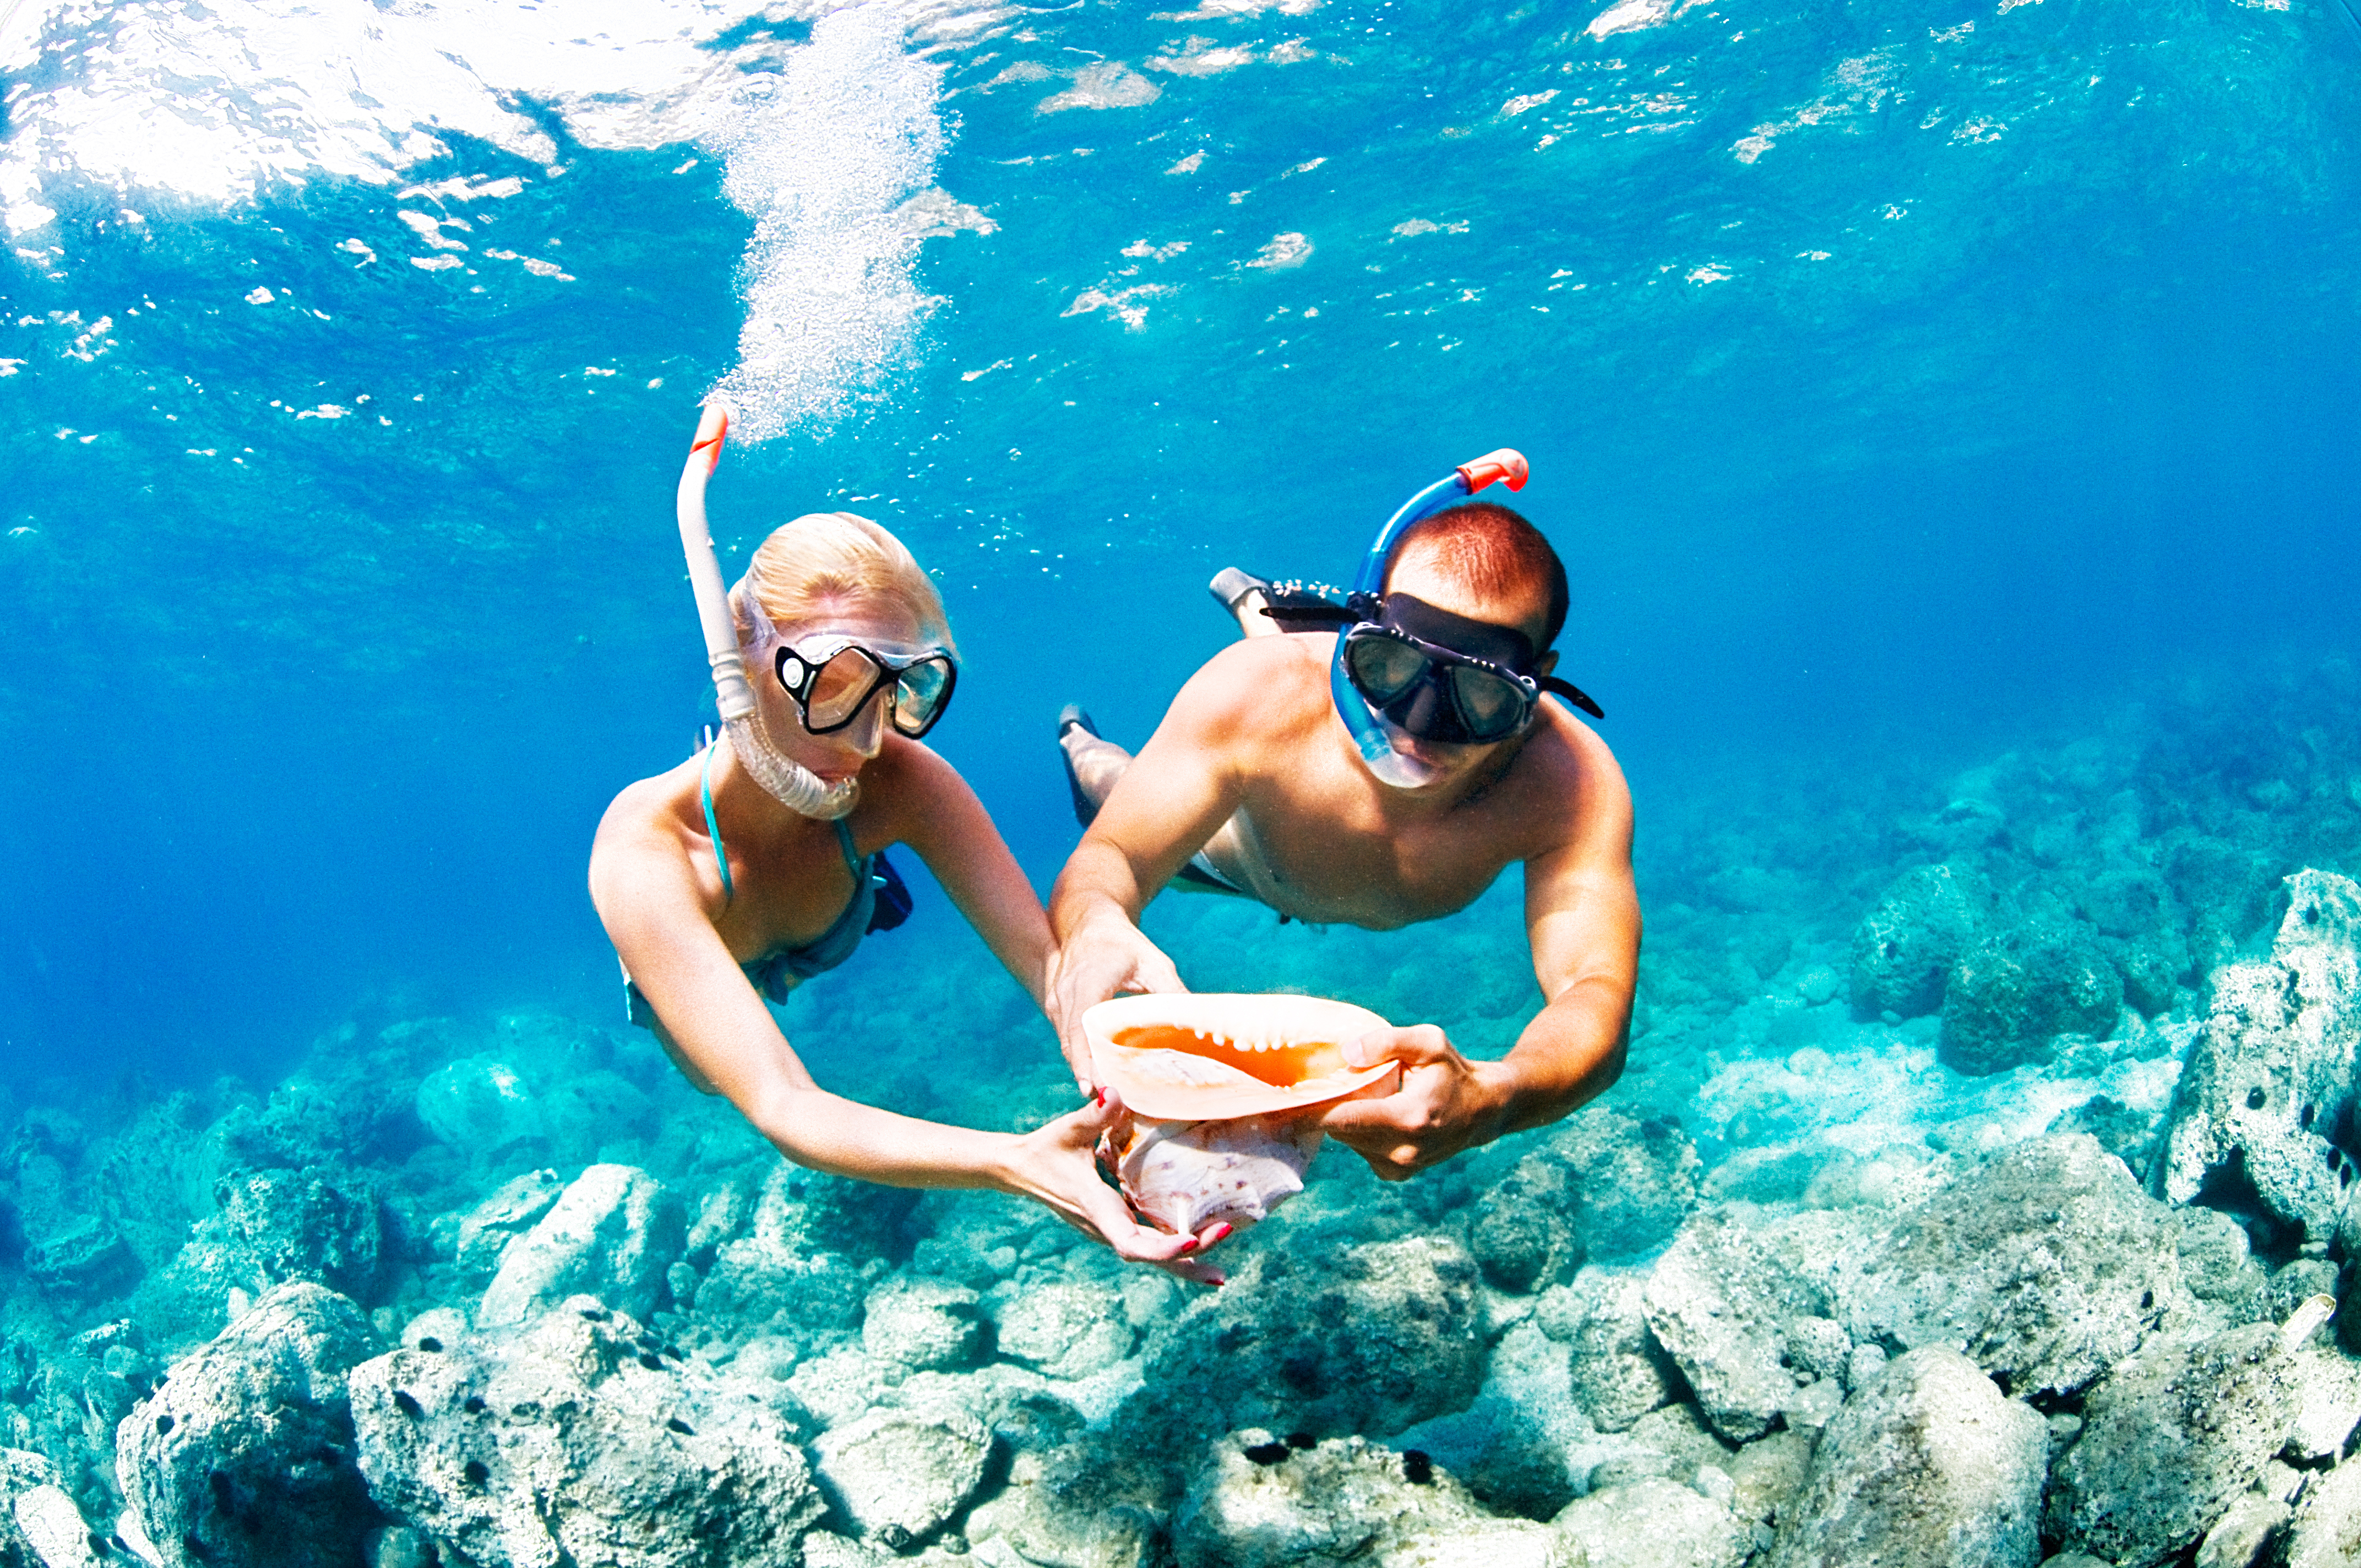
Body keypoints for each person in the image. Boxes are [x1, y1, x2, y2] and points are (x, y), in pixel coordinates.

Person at [591, 407, 1215, 1274]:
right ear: (740, 658)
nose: (866, 739)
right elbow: (785, 1108)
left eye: (904, 688)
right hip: (707, 934)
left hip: (829, 903)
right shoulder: (646, 852)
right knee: (712, 1075)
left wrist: (1141, 1096)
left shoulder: (903, 780)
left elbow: (1051, 971)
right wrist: (1017, 1163)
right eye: (836, 681)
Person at [1049, 454, 1640, 1182]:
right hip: (1233, 864)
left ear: (1537, 681)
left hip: (1296, 770)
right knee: (1105, 787)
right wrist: (1097, 920)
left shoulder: (1570, 784)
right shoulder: (1257, 696)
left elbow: (1595, 992)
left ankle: (1266, 615)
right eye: (1388, 668)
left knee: (1288, 685)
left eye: (1480, 697)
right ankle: (1087, 729)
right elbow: (1114, 863)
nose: (1420, 730)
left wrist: (1499, 1096)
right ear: (1364, 637)